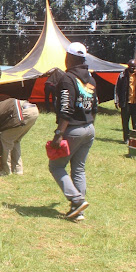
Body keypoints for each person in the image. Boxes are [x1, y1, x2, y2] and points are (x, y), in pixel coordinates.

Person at [49, 42, 97, 223]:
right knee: (78, 168)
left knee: (56, 166)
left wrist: (59, 133)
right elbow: (95, 106)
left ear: (69, 58)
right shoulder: (91, 79)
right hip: (89, 128)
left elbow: (66, 108)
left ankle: (77, 200)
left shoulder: (67, 79)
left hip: (73, 129)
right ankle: (79, 212)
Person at [114, 59, 136, 142]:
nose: (132, 68)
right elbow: (117, 88)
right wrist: (116, 100)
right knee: (125, 122)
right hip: (126, 102)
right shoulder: (122, 75)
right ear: (128, 66)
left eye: (134, 67)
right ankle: (126, 138)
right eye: (131, 67)